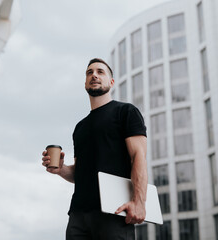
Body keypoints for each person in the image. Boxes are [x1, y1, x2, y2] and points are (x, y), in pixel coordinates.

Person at [42, 58, 148, 240]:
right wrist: (61, 170)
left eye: (100, 72)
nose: (94, 75)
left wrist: (139, 202)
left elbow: (138, 157)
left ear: (111, 82)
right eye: (89, 72)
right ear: (85, 82)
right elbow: (80, 174)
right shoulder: (80, 127)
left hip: (114, 211)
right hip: (78, 216)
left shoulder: (126, 112)